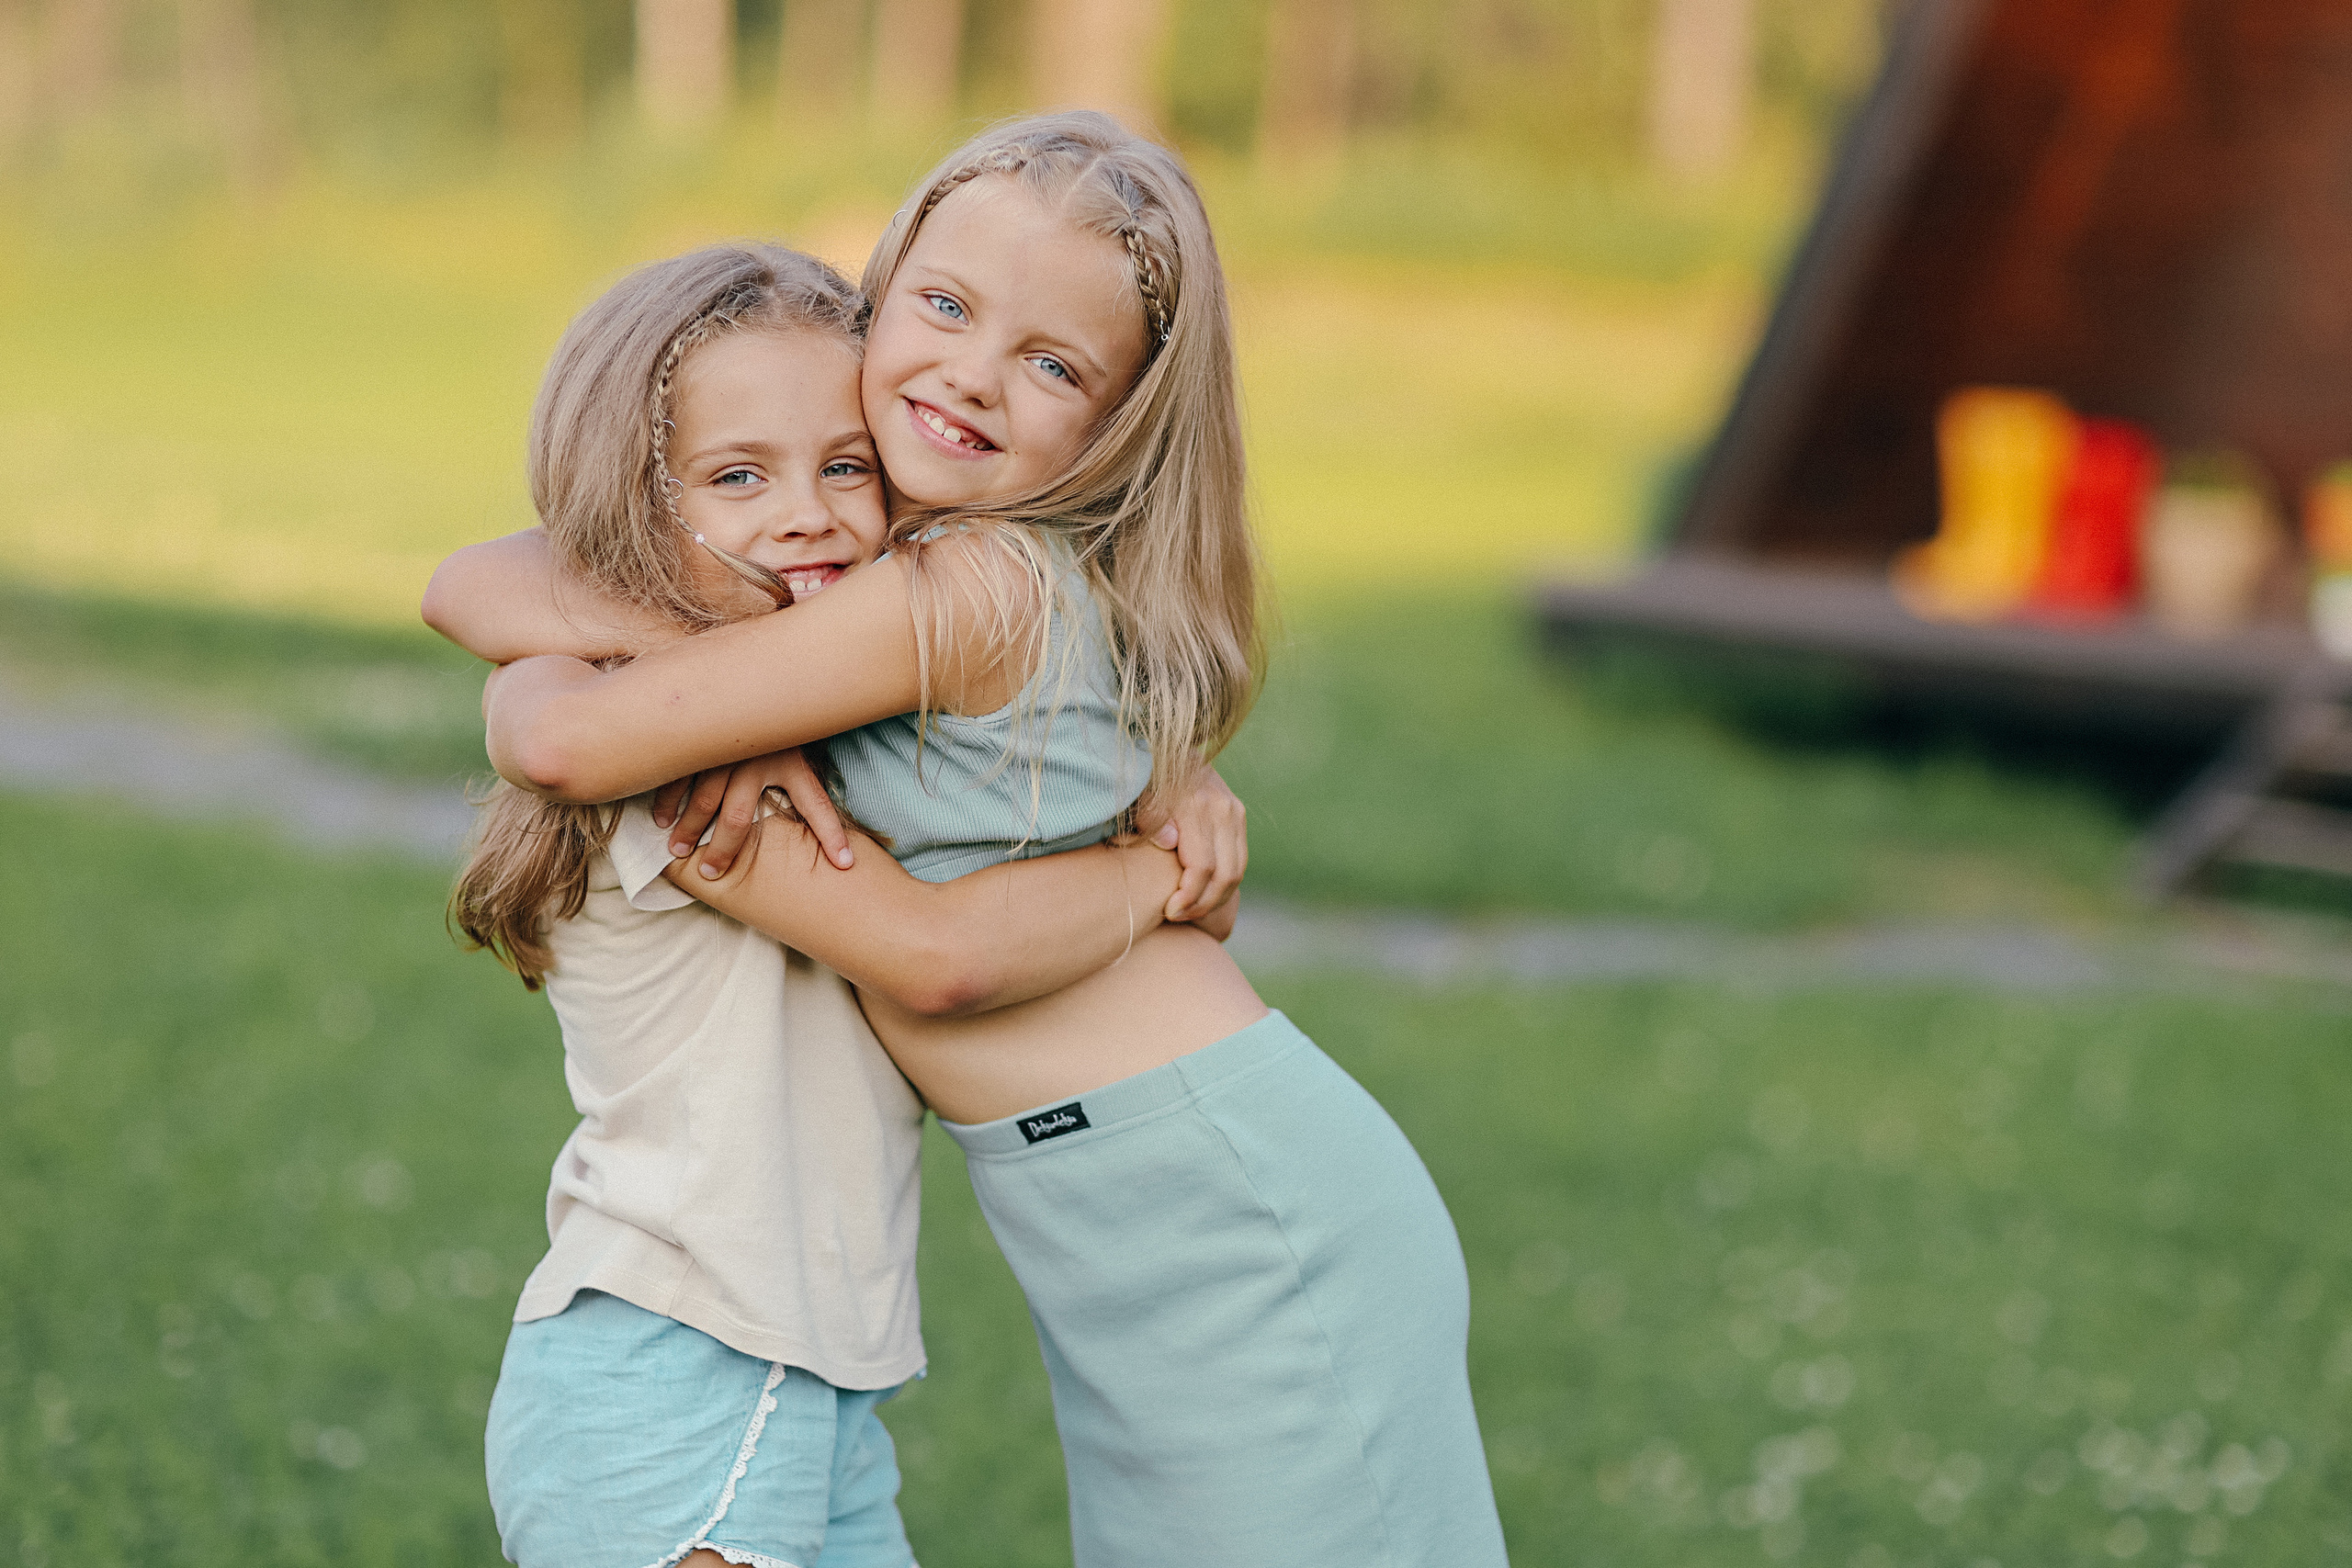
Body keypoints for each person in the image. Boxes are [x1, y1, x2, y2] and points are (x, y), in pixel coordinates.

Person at [430, 112, 1508, 1568]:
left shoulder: (969, 587)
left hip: (1242, 1225)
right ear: (876, 300)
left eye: (1055, 365)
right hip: (1158, 1218)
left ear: (1120, 422)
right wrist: (721, 650)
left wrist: (1153, 875)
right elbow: (485, 583)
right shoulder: (856, 569)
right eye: (942, 306)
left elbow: (554, 713)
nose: (972, 378)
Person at [447, 240, 1218, 1568]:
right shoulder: (680, 770)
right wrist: (1164, 879)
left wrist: (1183, 770)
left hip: (795, 1384)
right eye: (738, 477)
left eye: (844, 468)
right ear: (630, 505)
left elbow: (1043, 689)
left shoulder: (816, 706)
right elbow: (943, 958)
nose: (807, 515)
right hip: (682, 1370)